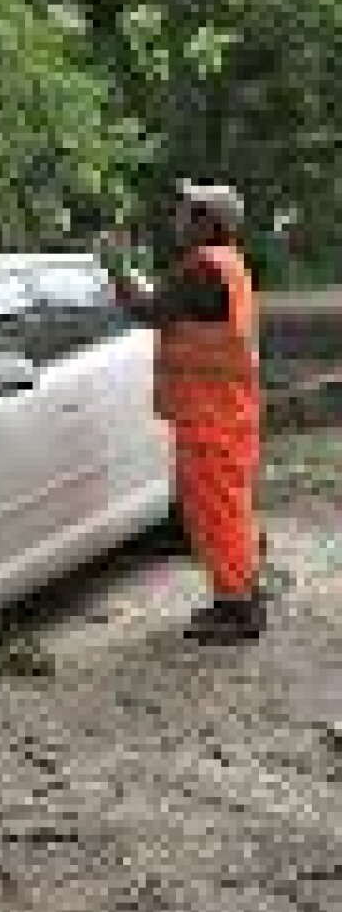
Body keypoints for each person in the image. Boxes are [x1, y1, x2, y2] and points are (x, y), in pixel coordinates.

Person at [102, 180, 266, 643]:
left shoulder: (203, 270)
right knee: (229, 508)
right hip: (229, 412)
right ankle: (243, 594)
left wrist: (113, 265)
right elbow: (169, 303)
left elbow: (148, 309)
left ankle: (236, 609)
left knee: (217, 514)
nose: (177, 220)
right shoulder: (226, 268)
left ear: (207, 223)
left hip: (211, 418)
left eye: (186, 212)